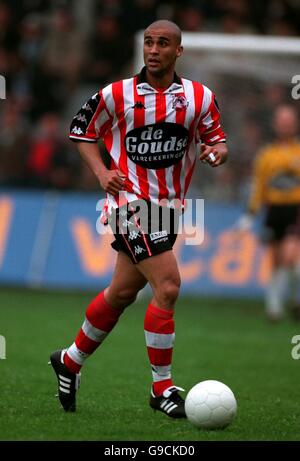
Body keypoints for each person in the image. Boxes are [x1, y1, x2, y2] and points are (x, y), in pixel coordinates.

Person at [49, 20, 228, 417]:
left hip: (170, 209)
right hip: (131, 205)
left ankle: (70, 360)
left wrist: (218, 152)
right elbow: (81, 131)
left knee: (121, 293)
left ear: (177, 51)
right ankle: (161, 390)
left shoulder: (198, 97)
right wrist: (101, 173)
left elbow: (217, 138)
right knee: (168, 286)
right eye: (148, 42)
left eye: (163, 43)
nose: (153, 49)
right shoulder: (117, 94)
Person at [237, 105, 300, 322]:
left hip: (295, 211)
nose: (285, 124)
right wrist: (250, 214)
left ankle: (294, 300)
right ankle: (274, 308)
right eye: (281, 120)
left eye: (289, 120)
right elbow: (259, 187)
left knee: (290, 256)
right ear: (275, 124)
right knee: (276, 260)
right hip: (274, 211)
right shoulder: (266, 155)